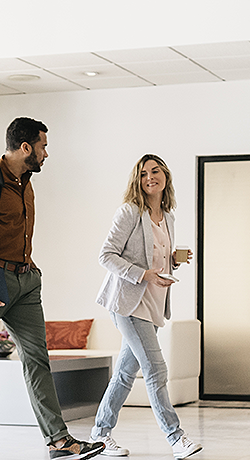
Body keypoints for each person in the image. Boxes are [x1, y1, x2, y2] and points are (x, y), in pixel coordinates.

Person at [0, 117, 105, 460]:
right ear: (25, 147)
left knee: (37, 359)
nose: (46, 153)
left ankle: (59, 441)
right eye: (42, 146)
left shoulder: (25, 183)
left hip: (26, 281)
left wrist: (30, 269)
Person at [89, 154, 202, 459]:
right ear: (137, 180)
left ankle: (100, 435)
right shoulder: (129, 212)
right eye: (143, 173)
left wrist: (173, 261)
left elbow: (155, 260)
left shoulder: (168, 216)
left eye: (155, 171)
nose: (150, 177)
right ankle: (176, 438)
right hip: (127, 303)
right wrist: (143, 274)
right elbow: (107, 256)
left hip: (152, 304)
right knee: (156, 369)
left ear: (165, 175)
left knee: (125, 374)